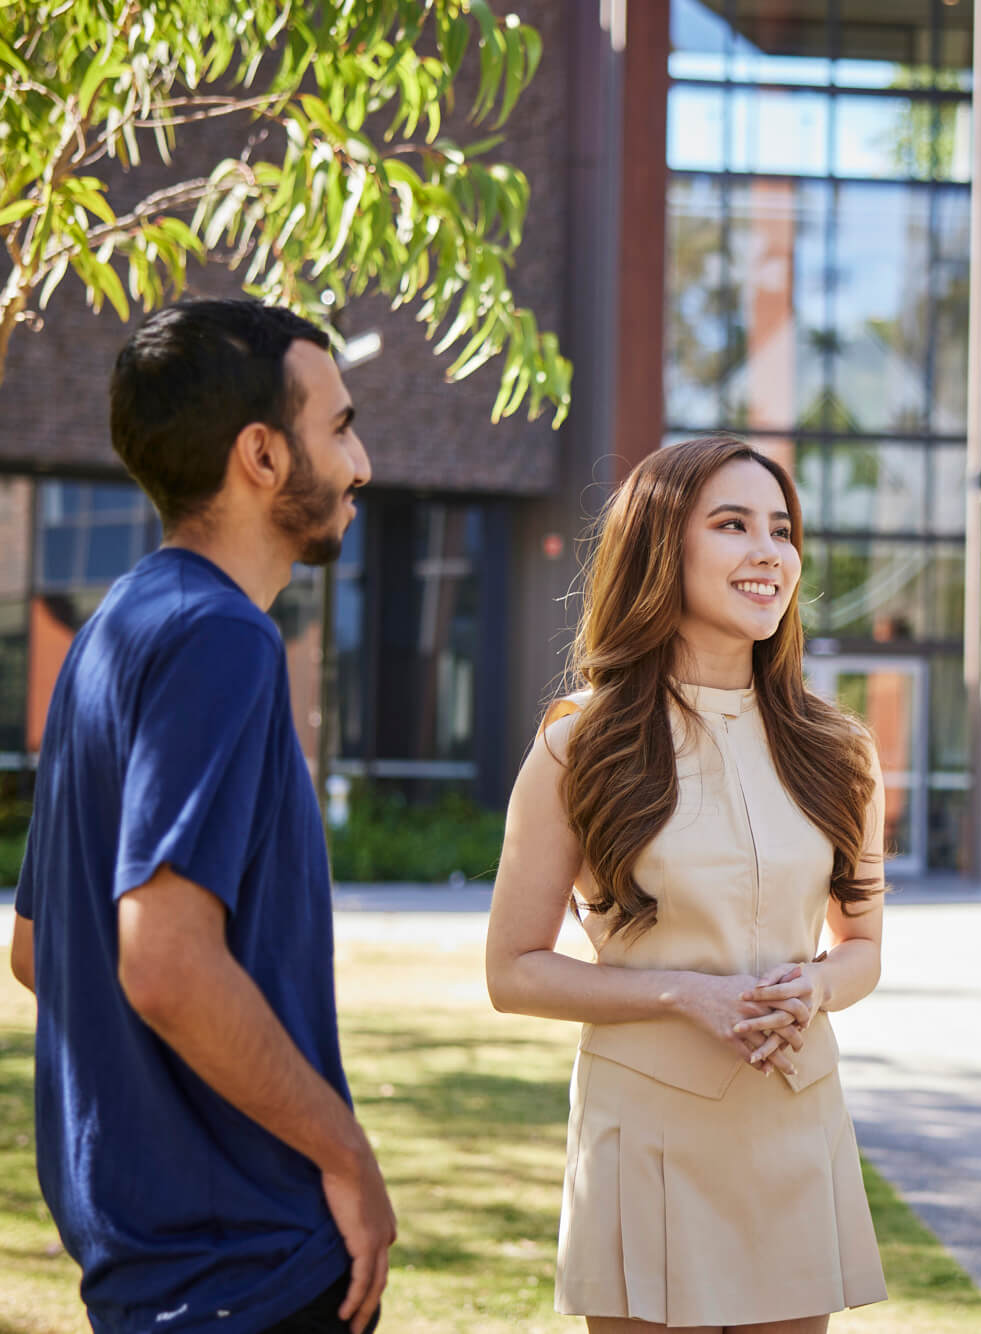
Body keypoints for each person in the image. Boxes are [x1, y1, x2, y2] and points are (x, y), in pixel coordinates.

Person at [7, 300, 392, 1334]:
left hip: (145, 1270)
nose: (361, 463)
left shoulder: (111, 632)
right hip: (248, 1269)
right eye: (340, 425)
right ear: (262, 454)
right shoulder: (223, 639)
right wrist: (346, 1156)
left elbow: (39, 950)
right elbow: (165, 961)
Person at [485, 436, 889, 1333]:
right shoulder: (578, 745)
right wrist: (682, 994)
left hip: (794, 1122)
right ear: (663, 545)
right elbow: (512, 970)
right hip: (647, 1133)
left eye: (781, 529)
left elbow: (862, 951)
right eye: (733, 524)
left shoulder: (840, 751)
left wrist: (816, 986)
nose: (768, 552)